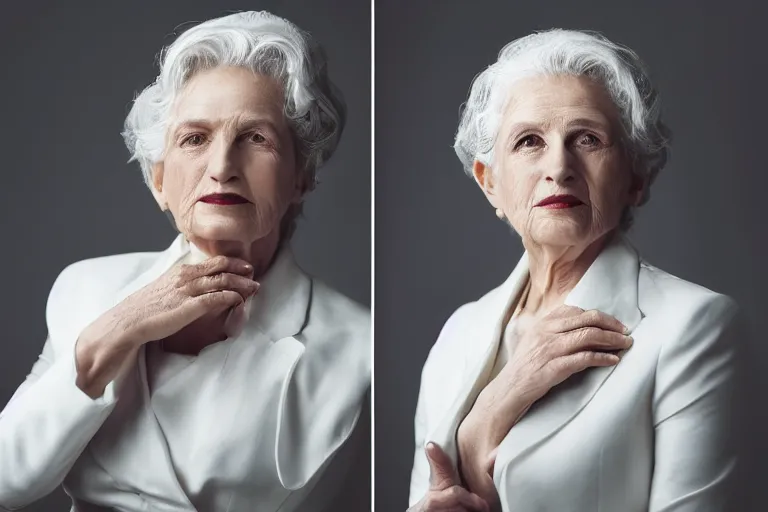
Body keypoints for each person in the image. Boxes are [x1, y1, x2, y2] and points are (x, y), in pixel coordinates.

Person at [0, 11, 370, 512]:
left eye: (255, 139)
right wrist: (109, 336)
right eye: (195, 138)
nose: (221, 168)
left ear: (301, 176)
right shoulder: (84, 290)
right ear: (159, 181)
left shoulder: (359, 347)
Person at [408, 29, 744, 512]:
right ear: (490, 184)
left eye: (587, 139)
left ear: (635, 178)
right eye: (528, 141)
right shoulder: (457, 335)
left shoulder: (697, 327)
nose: (559, 166)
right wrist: (486, 416)